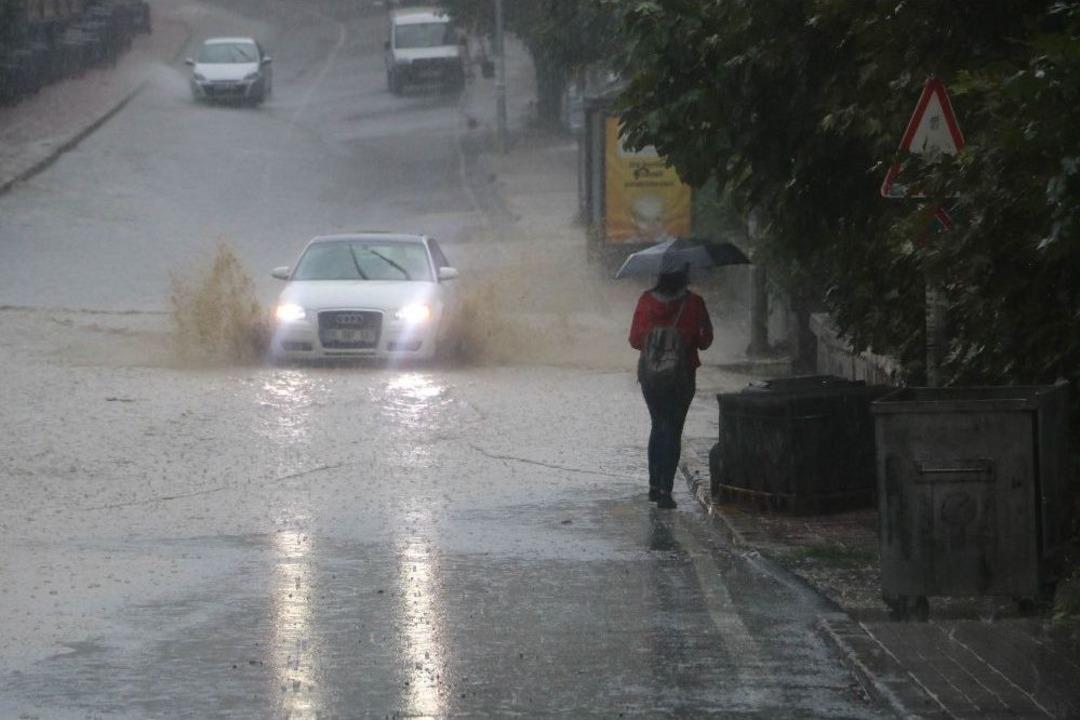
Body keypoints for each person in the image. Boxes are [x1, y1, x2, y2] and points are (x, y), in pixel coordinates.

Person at [628, 261, 713, 509]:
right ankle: (666, 490)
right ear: (685, 275)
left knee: (658, 424)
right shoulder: (694, 303)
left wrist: (655, 343)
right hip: (682, 375)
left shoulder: (645, 300)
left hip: (651, 376)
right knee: (673, 430)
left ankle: (654, 485)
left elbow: (634, 341)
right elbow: (706, 340)